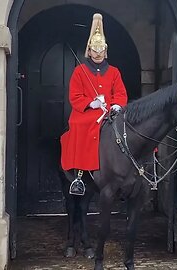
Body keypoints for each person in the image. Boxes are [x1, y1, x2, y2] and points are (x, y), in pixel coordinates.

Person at [60, 13, 128, 195]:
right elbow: (74, 97)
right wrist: (92, 103)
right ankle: (79, 176)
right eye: (94, 50)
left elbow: (120, 93)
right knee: (79, 125)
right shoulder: (79, 71)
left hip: (109, 113)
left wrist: (116, 105)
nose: (98, 54)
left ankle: (127, 175)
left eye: (101, 50)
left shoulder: (114, 72)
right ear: (89, 51)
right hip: (85, 113)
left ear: (106, 51)